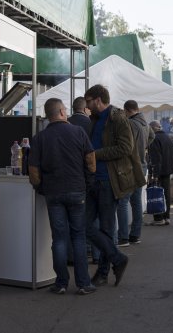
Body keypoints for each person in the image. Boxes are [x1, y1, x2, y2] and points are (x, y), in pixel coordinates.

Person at [28, 98, 96, 295]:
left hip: (53, 192)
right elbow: (91, 160)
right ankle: (83, 283)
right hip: (77, 190)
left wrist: (40, 187)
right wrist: (88, 183)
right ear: (61, 112)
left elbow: (33, 169)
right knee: (78, 237)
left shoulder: (40, 138)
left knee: (58, 238)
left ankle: (61, 283)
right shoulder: (78, 132)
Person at [84, 84, 143, 287]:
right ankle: (117, 259)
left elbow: (126, 148)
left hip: (110, 181)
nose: (87, 106)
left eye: (89, 101)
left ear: (98, 100)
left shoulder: (117, 118)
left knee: (106, 228)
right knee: (85, 225)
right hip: (95, 180)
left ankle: (102, 272)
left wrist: (95, 154)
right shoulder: (95, 119)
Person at [117, 100, 155, 246]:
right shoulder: (145, 122)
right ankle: (135, 235)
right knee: (136, 201)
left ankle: (123, 237)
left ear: (127, 110)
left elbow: (126, 146)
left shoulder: (130, 124)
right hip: (142, 165)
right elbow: (153, 136)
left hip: (131, 166)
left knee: (123, 201)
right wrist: (144, 146)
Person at [148, 120, 173, 224]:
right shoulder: (167, 137)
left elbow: (156, 158)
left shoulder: (155, 139)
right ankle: (167, 217)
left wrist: (154, 174)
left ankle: (159, 218)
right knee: (166, 194)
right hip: (168, 169)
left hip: (159, 171)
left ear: (153, 128)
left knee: (157, 194)